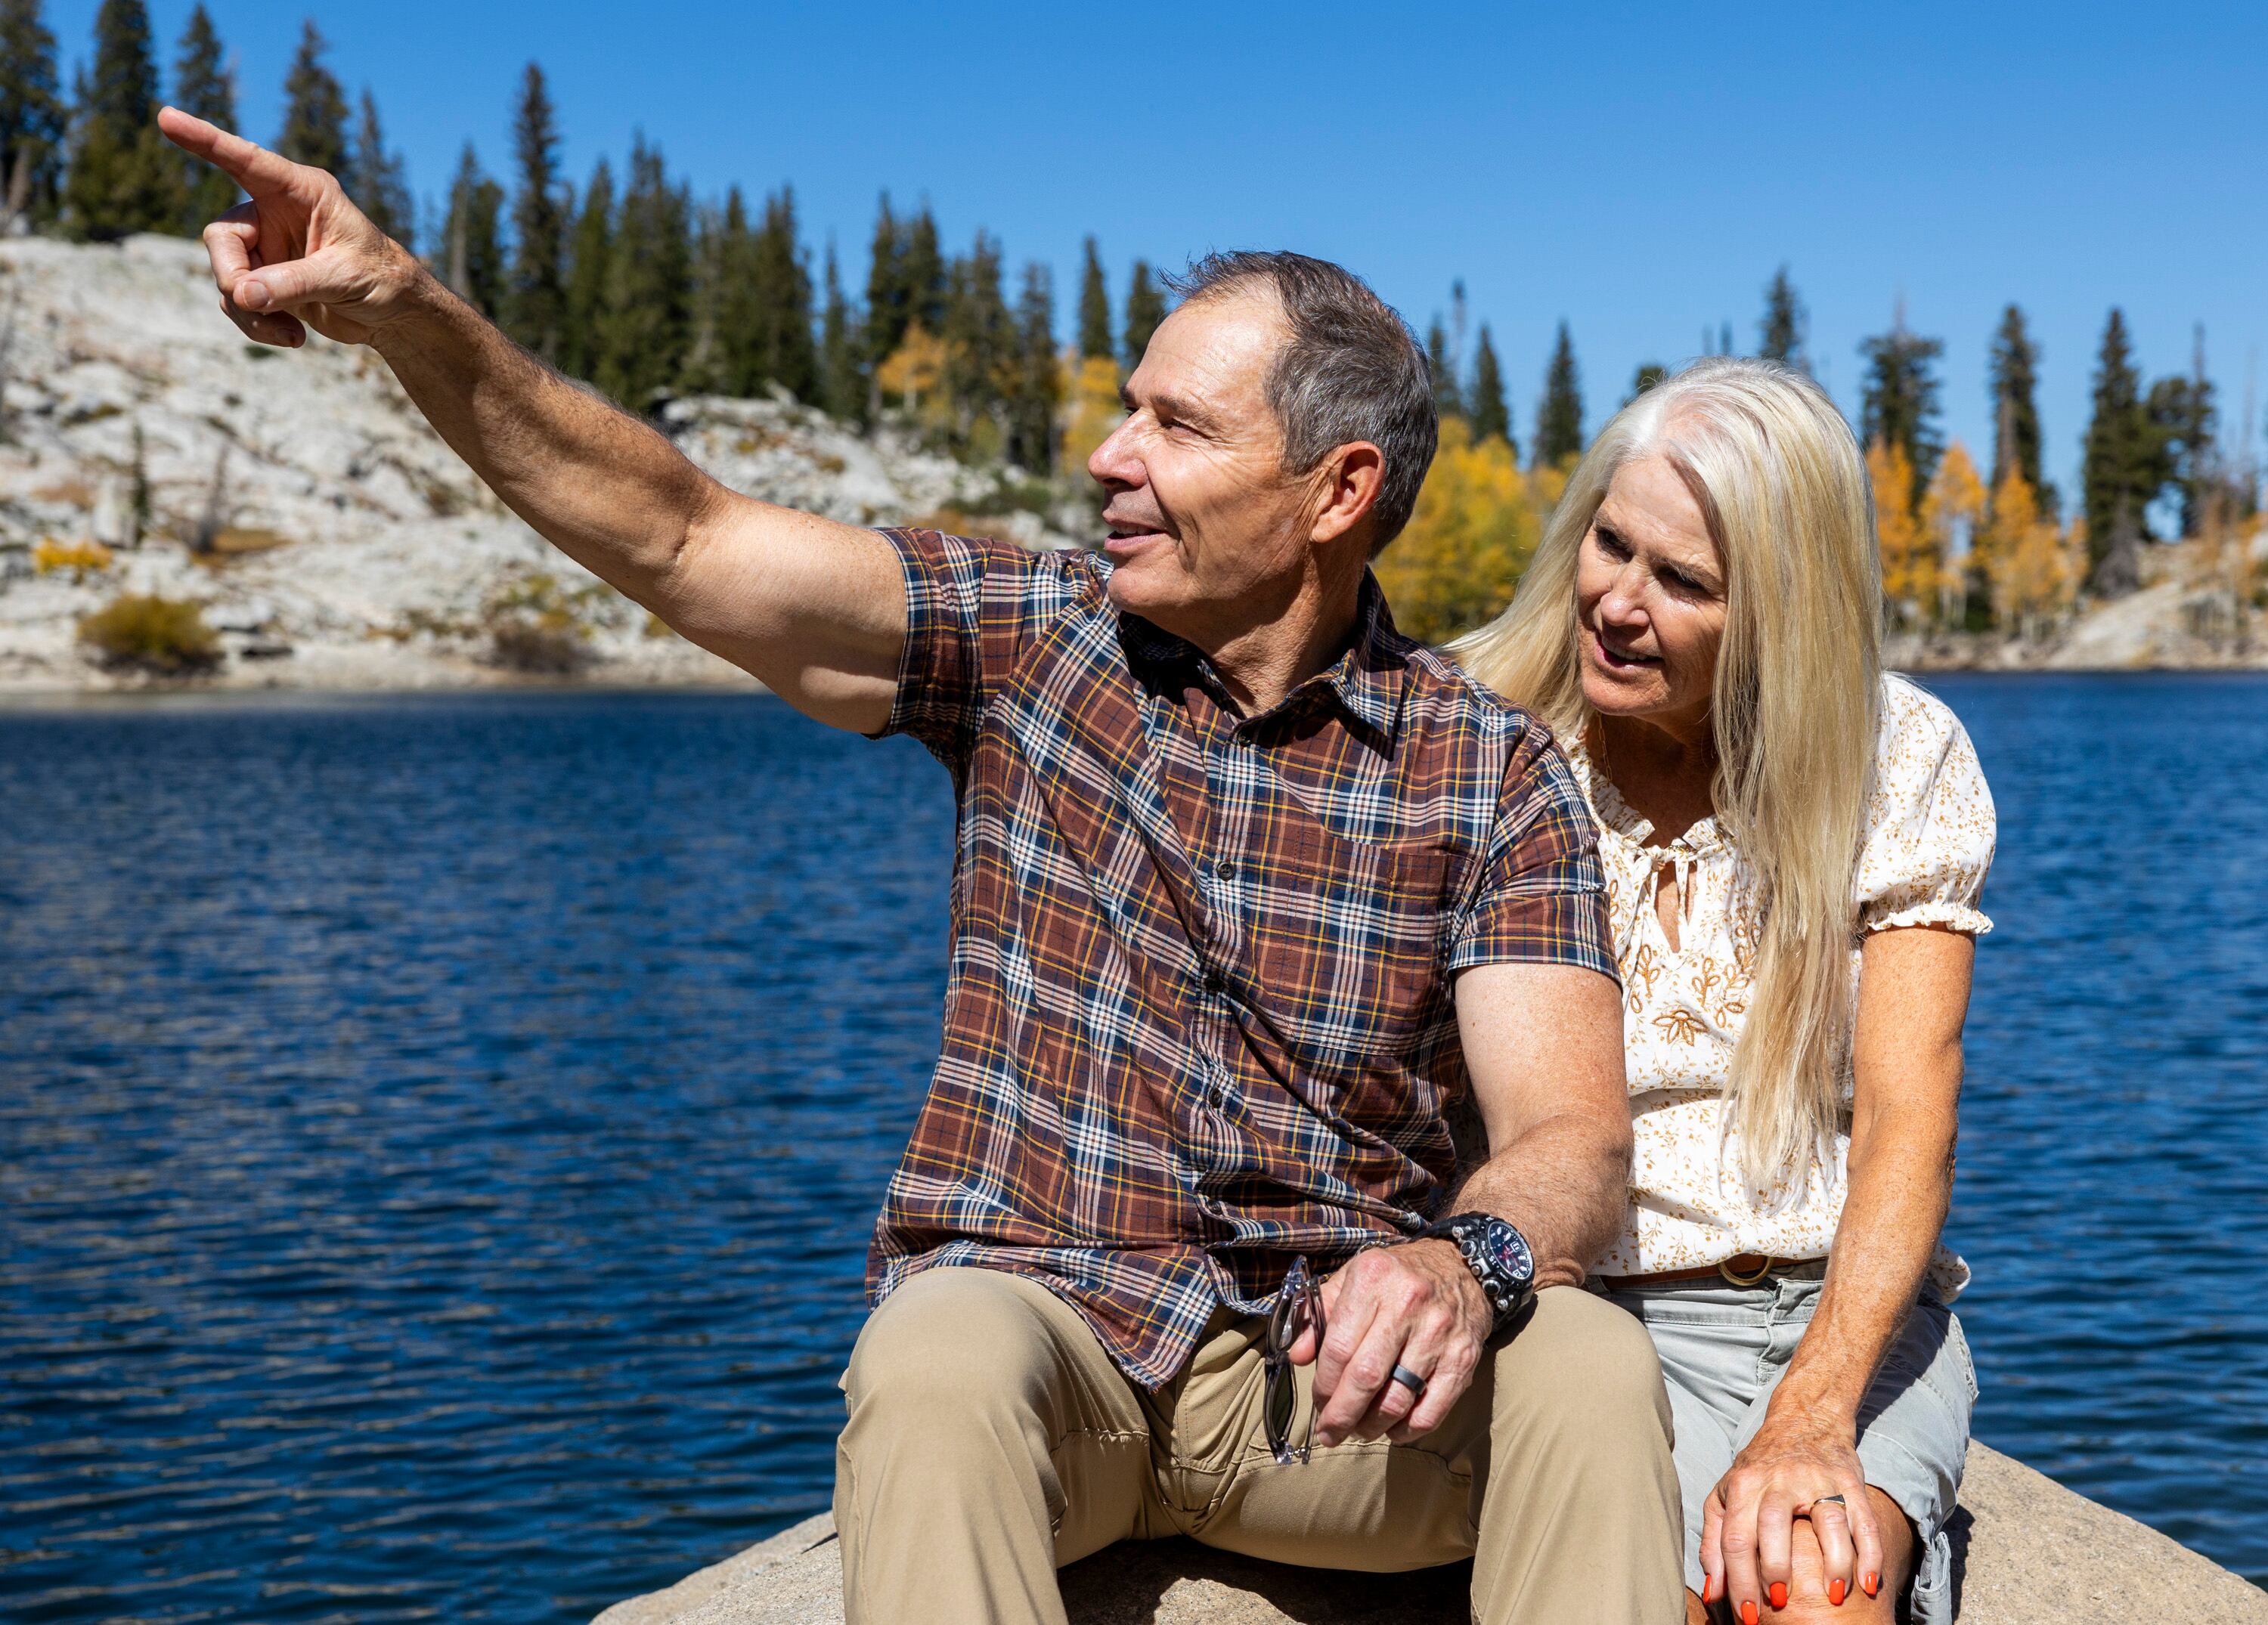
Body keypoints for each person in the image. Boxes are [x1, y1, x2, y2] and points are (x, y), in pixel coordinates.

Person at [156, 110, 1687, 1623]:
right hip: (1043, 1344)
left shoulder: (1486, 767)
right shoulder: (1031, 634)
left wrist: (1458, 1258)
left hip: (1322, 1394)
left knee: (1587, 1359)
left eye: (1179, 427)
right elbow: (684, 538)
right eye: (1127, 410)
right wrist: (404, 312)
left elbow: (1570, 1138)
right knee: (933, 1357)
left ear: (1336, 493)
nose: (1110, 458)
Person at [1456, 358, 1994, 1625]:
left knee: (1816, 1594)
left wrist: (1814, 1412)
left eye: (1683, 581)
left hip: (1844, 1314)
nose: (1617, 602)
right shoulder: (1486, 729)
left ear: (1784, 612)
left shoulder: (1895, 756)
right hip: (1586, 1321)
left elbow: (1912, 1118)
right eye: (1609, 543)